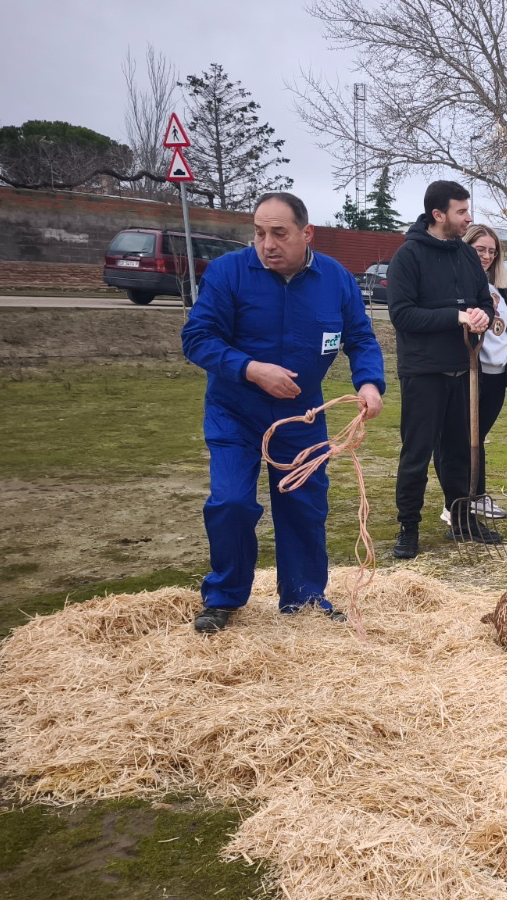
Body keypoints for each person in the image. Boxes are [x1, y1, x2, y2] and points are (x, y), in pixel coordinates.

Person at [180, 191, 385, 634]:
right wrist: (252, 369)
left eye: (279, 233)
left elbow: (360, 338)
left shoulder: (336, 279)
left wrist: (369, 382)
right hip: (235, 412)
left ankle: (304, 598)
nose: (267, 244)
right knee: (231, 502)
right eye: (259, 233)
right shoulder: (228, 273)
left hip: (301, 416)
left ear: (306, 233)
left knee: (304, 506)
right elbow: (197, 338)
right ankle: (224, 597)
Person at [388, 180, 499, 558]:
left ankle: (462, 521)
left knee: (460, 451)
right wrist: (456, 316)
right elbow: (402, 315)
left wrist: (483, 315)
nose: (469, 218)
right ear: (438, 215)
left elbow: (484, 300)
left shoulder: (466, 255)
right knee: (416, 454)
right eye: (461, 211)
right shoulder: (408, 256)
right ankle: (408, 528)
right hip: (424, 372)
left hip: (464, 368)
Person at [434, 223, 507, 527]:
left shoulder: (501, 287)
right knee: (457, 439)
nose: (487, 256)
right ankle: (455, 501)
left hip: (496, 375)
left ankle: (475, 495)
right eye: (480, 250)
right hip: (468, 373)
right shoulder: (459, 285)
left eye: (492, 251)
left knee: (477, 438)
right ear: (466, 248)